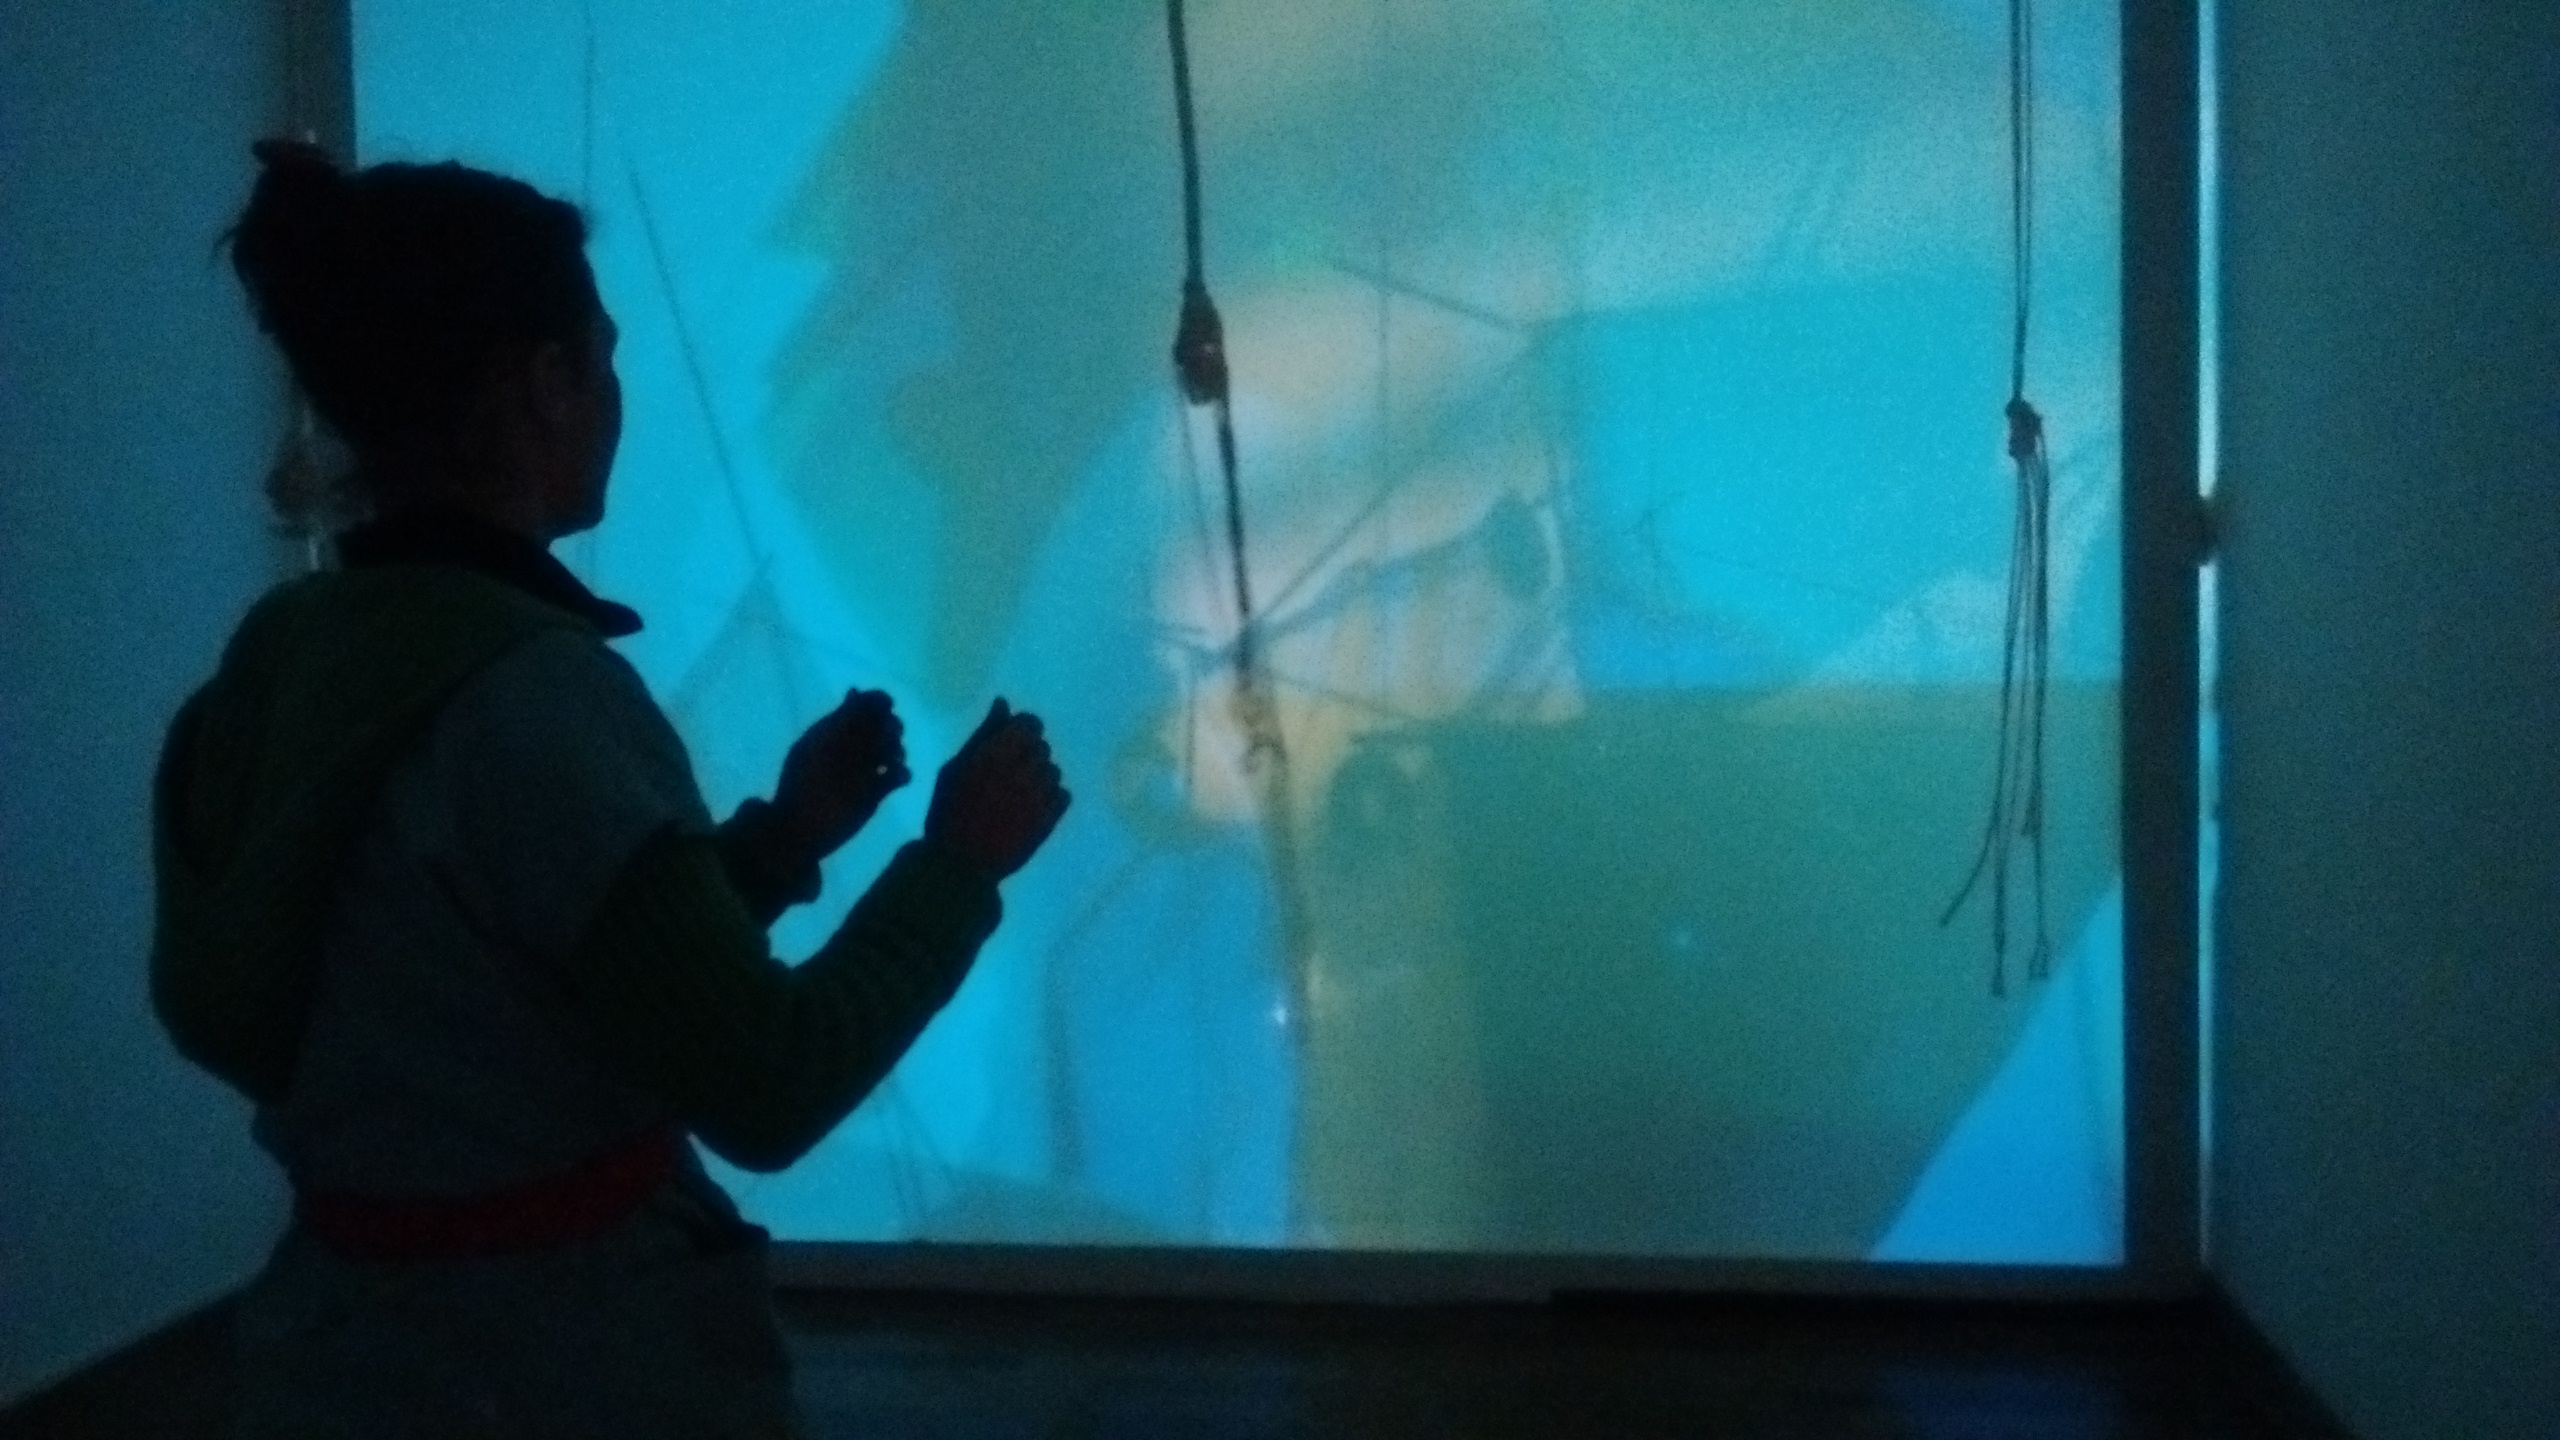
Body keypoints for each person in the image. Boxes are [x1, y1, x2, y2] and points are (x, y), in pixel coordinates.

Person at [149, 139, 1070, 1437]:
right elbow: (768, 1084)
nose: (619, 398)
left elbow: (487, 975)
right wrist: (959, 863)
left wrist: (781, 841)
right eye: (606, 358)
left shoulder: (282, 658)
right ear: (547, 384)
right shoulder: (538, 698)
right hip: (558, 1367)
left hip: (333, 1349)